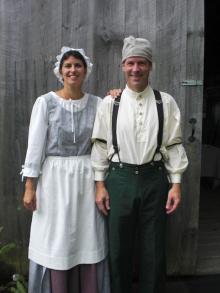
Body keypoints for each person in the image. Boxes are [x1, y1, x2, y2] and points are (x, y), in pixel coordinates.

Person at [91, 36, 189, 293]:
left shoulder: (164, 101)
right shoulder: (110, 103)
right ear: (123, 66)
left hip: (154, 179)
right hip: (119, 180)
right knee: (118, 247)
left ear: (150, 66)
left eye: (141, 63)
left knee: (154, 247)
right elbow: (100, 146)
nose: (136, 69)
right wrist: (100, 185)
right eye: (131, 63)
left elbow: (174, 145)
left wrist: (175, 184)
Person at [21, 46, 109, 293]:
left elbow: (104, 142)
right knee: (56, 236)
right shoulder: (45, 103)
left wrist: (116, 96)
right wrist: (30, 186)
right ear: (60, 71)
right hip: (53, 181)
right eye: (68, 66)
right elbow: (35, 147)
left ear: (86, 70)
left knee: (87, 235)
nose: (73, 70)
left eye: (78, 66)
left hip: (86, 177)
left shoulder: (98, 104)